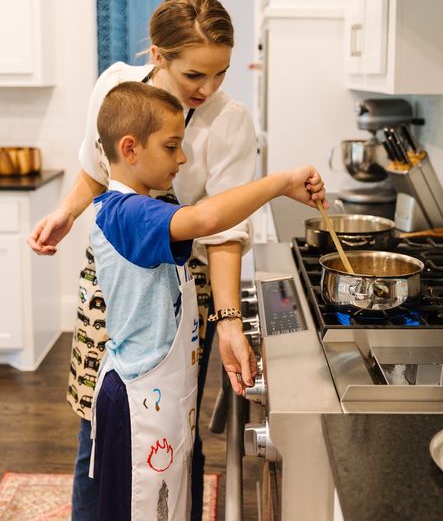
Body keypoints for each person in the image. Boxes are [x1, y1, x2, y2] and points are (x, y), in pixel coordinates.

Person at [27, 0, 260, 521]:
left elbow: (222, 233)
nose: (208, 88)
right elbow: (95, 166)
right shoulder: (114, 85)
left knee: (175, 430)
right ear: (158, 55)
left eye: (220, 73)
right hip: (113, 285)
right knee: (99, 421)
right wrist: (66, 213)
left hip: (183, 294)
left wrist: (227, 321)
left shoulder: (231, 122)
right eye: (194, 76)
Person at [89, 80, 327, 520]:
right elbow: (208, 217)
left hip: (160, 396)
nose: (181, 158)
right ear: (130, 148)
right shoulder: (127, 214)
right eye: (172, 146)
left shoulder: (145, 208)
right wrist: (280, 182)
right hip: (137, 401)